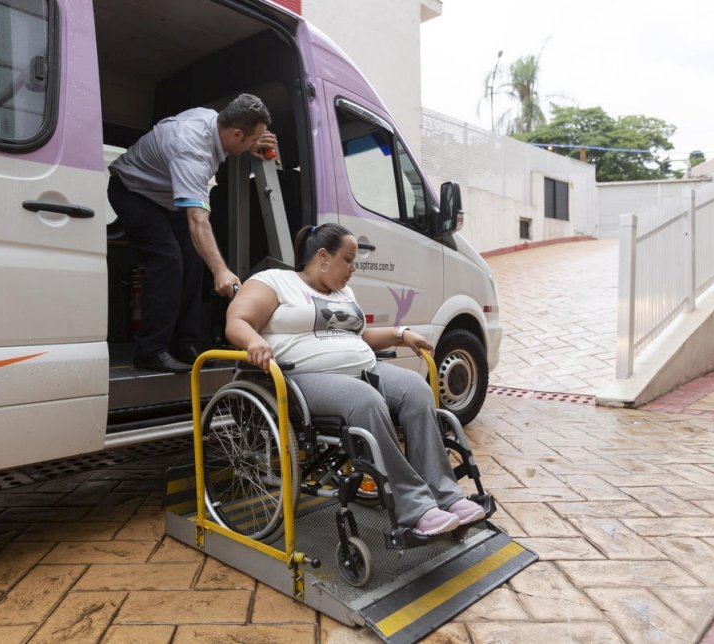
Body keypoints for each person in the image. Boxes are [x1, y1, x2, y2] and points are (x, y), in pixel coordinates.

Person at [225, 223, 486, 536]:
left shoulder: (343, 293)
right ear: (323, 256)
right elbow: (237, 321)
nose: (353, 268)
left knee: (417, 390)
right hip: (303, 379)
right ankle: (415, 507)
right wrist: (254, 341)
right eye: (347, 260)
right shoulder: (275, 282)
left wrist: (401, 335)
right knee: (366, 400)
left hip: (364, 369)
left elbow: (361, 336)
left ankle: (446, 495)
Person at [108, 94, 277, 373]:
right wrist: (221, 271)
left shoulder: (213, 120)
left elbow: (194, 224)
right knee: (168, 261)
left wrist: (251, 144)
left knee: (193, 261)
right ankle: (150, 351)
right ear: (236, 133)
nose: (255, 143)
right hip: (132, 192)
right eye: (253, 138)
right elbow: (197, 220)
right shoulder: (192, 150)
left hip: (163, 196)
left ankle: (184, 344)